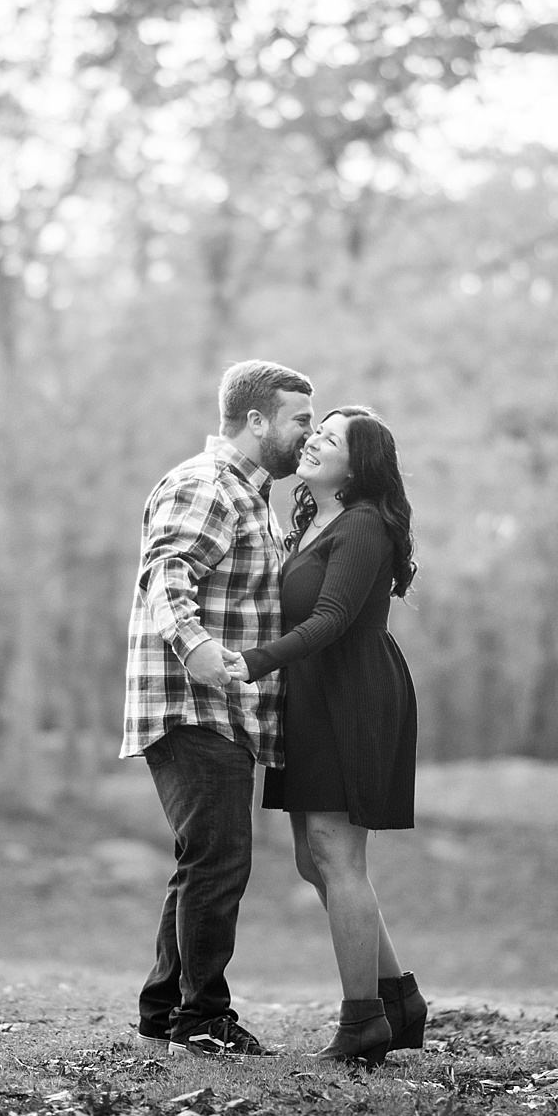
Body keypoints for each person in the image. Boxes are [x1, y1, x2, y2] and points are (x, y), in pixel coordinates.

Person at [219, 406, 425, 1067]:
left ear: (357, 467)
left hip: (351, 695)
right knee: (315, 861)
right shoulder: (313, 520)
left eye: (330, 439)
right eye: (317, 431)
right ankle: (397, 1002)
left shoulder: (362, 525)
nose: (312, 441)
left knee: (338, 857)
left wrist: (250, 663)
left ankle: (363, 1022)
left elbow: (333, 619)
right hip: (310, 697)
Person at [120, 359, 315, 1058]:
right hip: (192, 703)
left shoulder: (250, 496)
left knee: (204, 858)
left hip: (222, 710)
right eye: (300, 420)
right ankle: (202, 1019)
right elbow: (167, 569)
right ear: (256, 420)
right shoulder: (208, 484)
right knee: (219, 861)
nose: (309, 433)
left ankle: (164, 1009)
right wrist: (194, 644)